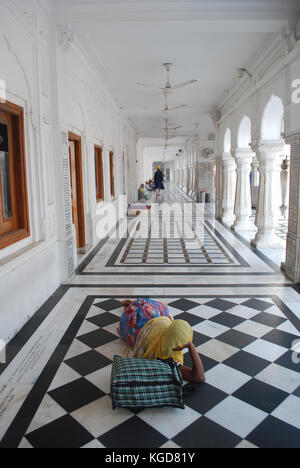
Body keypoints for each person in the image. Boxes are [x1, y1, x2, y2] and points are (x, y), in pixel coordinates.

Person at [119, 299, 205, 384]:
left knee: (140, 311)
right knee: (151, 309)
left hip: (149, 326)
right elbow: (199, 377)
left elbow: (199, 377)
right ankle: (132, 304)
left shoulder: (166, 356)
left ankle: (132, 305)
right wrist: (190, 346)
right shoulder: (170, 360)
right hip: (154, 324)